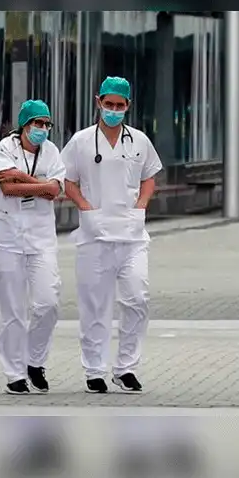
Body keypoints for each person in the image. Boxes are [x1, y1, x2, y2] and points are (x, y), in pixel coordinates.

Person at [59, 76, 163, 394]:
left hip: (132, 235)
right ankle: (94, 370)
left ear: (128, 106)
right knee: (95, 306)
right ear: (98, 102)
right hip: (94, 236)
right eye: (109, 104)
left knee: (137, 299)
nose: (114, 110)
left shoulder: (140, 141)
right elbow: (67, 180)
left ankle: (126, 367)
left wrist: (141, 205)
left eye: (120, 105)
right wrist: (86, 208)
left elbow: (149, 177)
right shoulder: (81, 141)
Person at [0, 100, 65, 395]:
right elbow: (6, 186)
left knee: (48, 302)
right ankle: (14, 373)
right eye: (36, 123)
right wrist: (39, 183)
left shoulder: (52, 152)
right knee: (12, 311)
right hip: (5, 237)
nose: (42, 129)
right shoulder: (6, 147)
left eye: (46, 124)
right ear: (24, 125)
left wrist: (24, 179)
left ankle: (34, 361)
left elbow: (55, 191)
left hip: (40, 237)